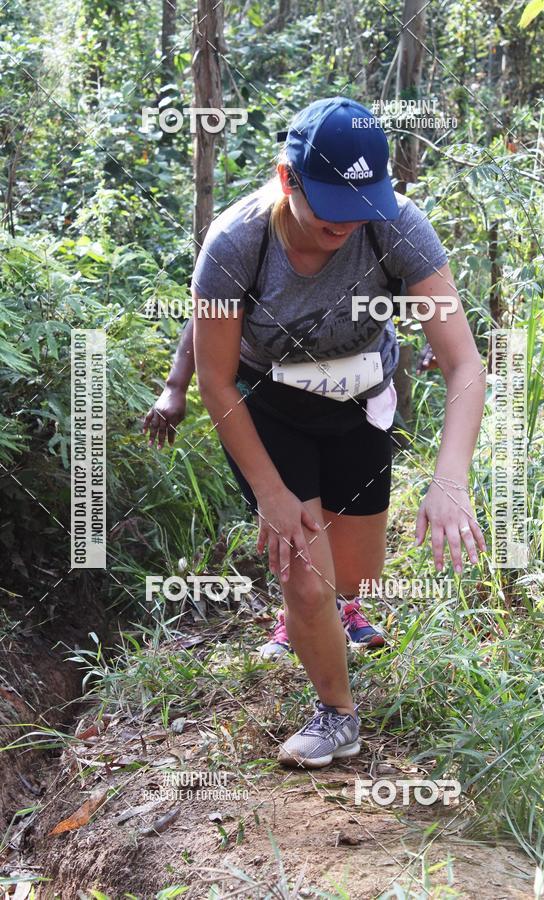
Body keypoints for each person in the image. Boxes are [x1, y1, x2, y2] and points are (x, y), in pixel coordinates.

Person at [146, 96, 486, 769]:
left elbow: (465, 363)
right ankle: (337, 713)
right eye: (332, 199)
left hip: (361, 404)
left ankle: (336, 610)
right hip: (269, 408)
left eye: (362, 199)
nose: (348, 218)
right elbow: (216, 378)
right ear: (287, 178)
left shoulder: (397, 227)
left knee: (352, 575)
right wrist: (271, 494)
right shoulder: (236, 244)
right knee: (306, 576)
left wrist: (451, 481)